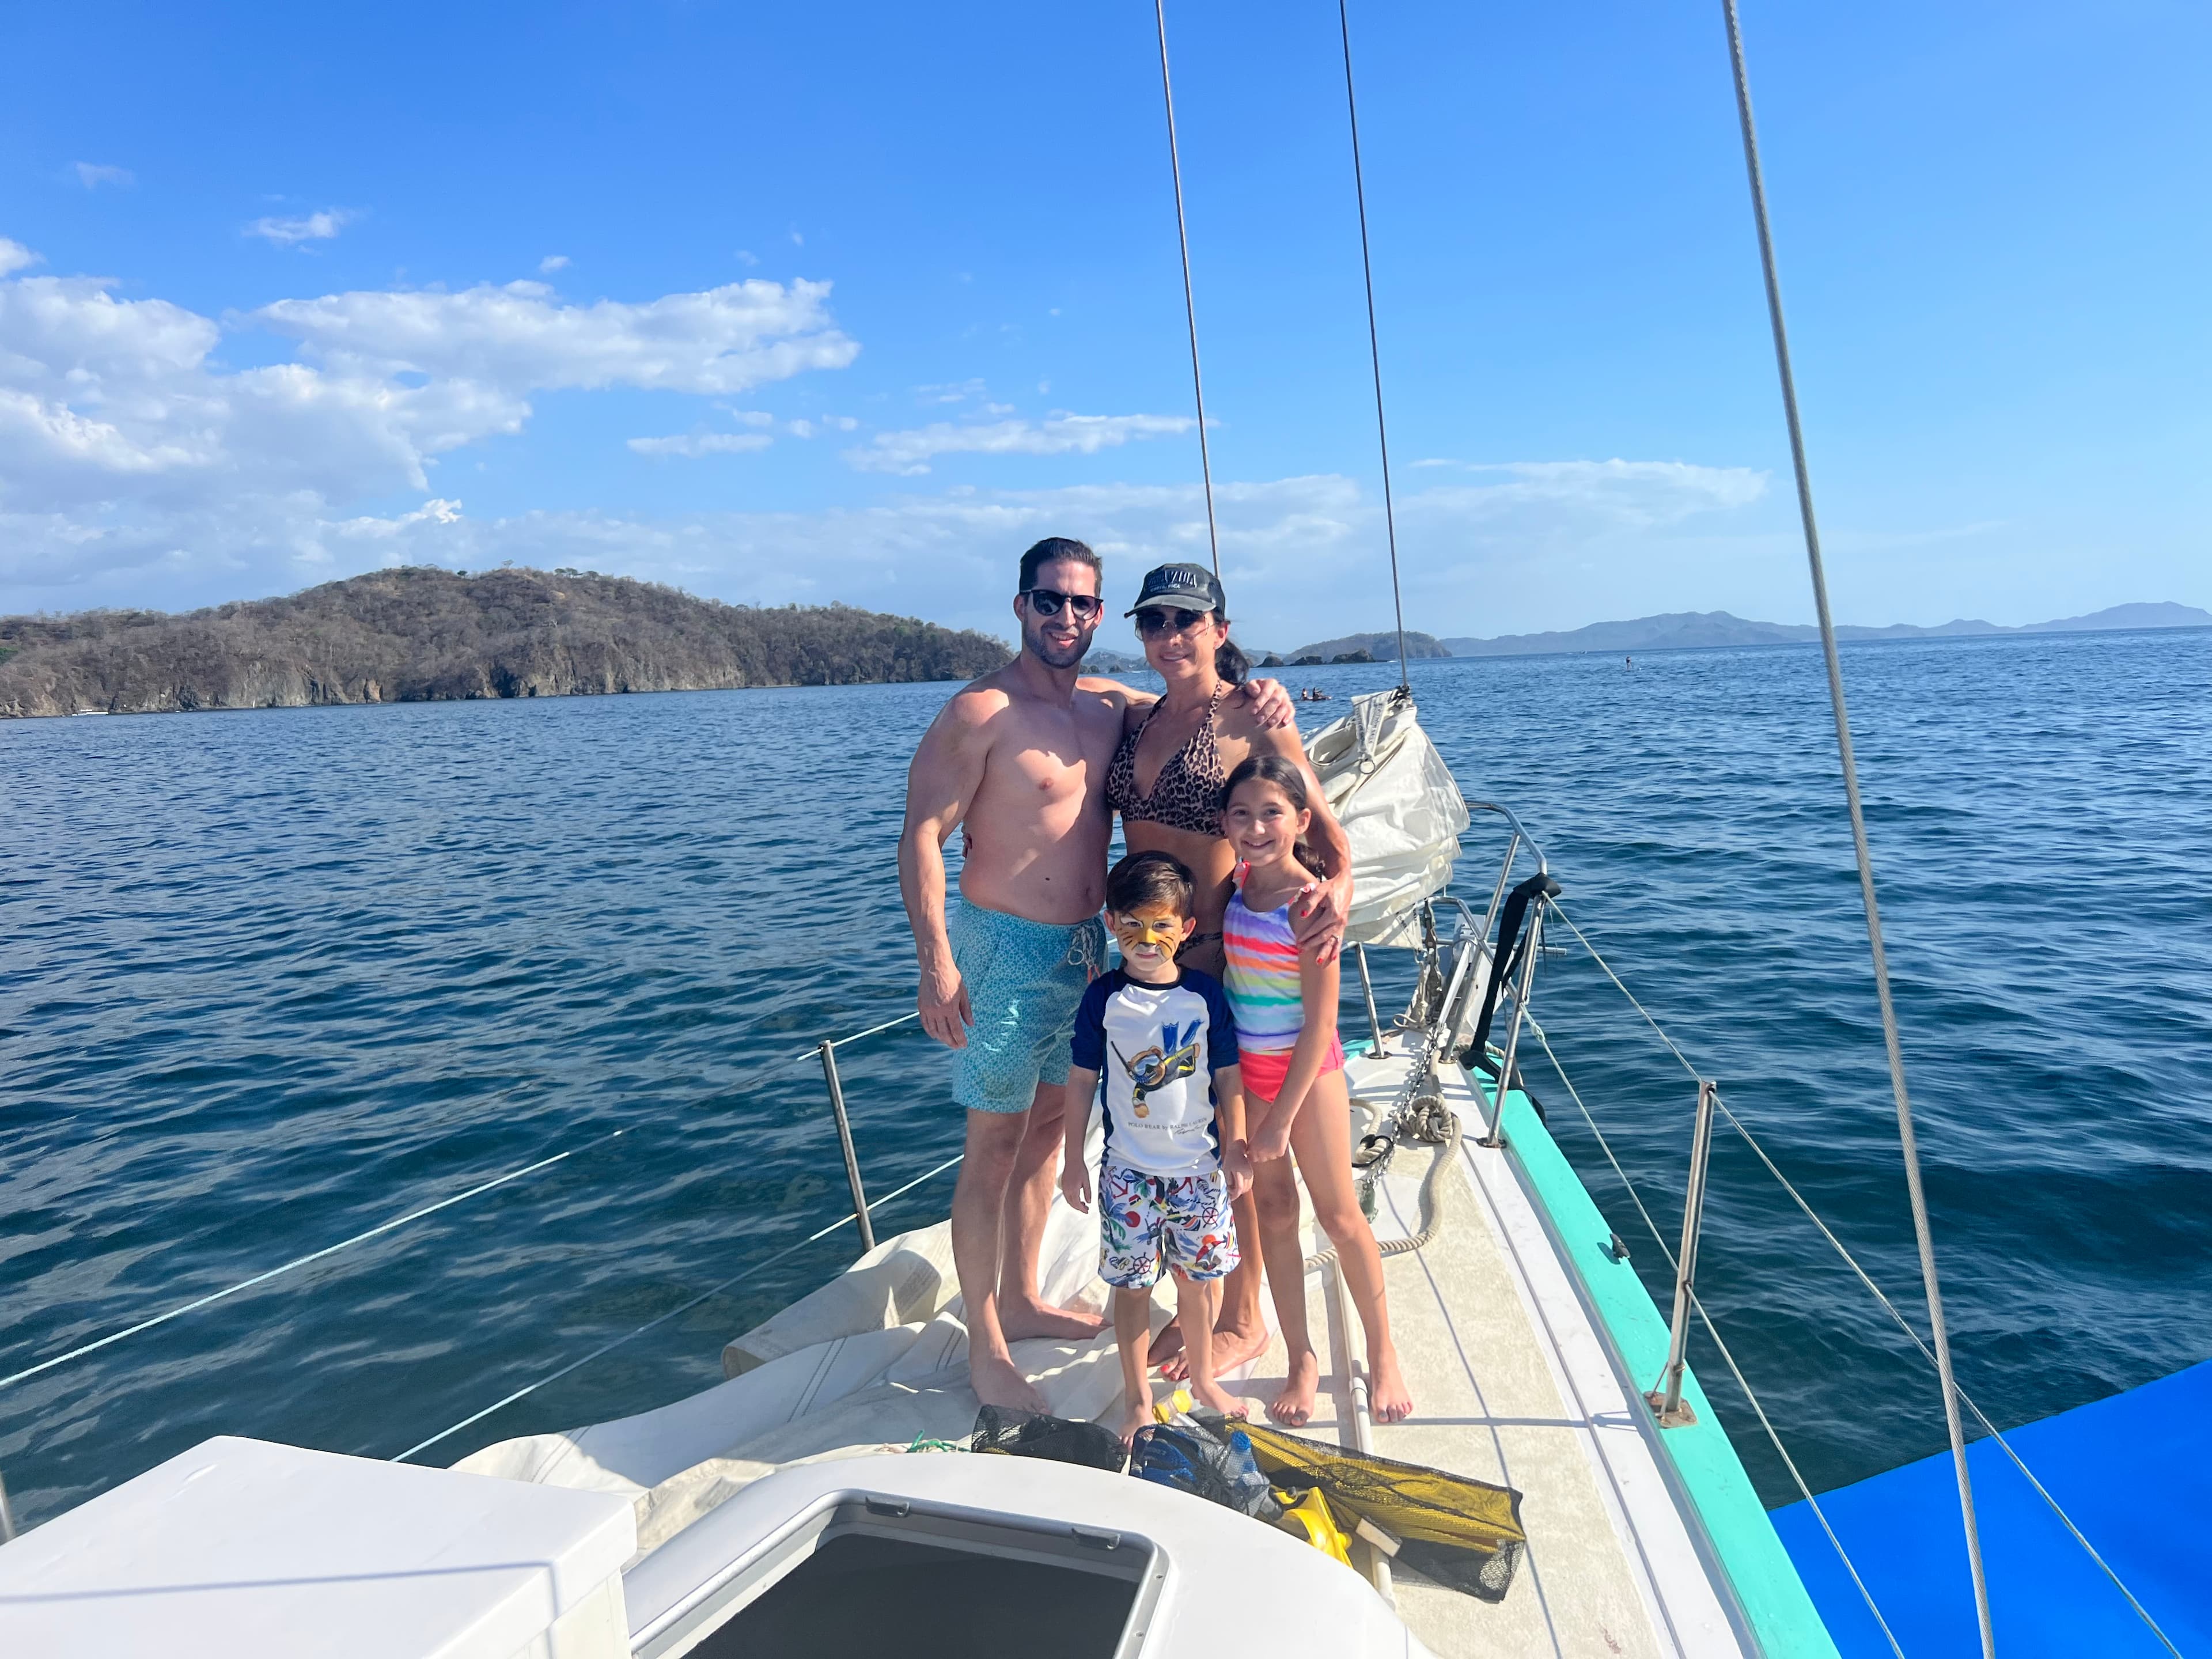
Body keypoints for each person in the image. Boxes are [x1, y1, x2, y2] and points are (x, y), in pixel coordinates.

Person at [897, 537, 1307, 1414]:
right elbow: (921, 837)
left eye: (1085, 605)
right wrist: (936, 963)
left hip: (1091, 948)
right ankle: (987, 1346)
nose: (1067, 618)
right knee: (994, 1147)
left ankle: (1024, 1295)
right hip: (1004, 951)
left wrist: (1263, 689)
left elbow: (1202, 697)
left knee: (1050, 1134)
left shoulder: (1109, 708)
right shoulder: (980, 712)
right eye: (1050, 601)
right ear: (1019, 606)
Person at [1104, 561, 1354, 1380]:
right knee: (1170, 1145)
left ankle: (1245, 1319)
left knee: (1229, 1153)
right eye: (1154, 622)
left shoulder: (1253, 718)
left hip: (1219, 968)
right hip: (1148, 966)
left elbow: (1324, 832)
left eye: (1187, 620)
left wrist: (1337, 896)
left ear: (1221, 628)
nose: (1170, 636)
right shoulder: (1135, 719)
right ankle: (1200, 1305)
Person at [1222, 753, 1412, 1426]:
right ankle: (1302, 1355)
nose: (1255, 827)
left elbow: (1322, 1025)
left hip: (1308, 1076)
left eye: (1272, 813)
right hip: (1249, 1074)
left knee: (1337, 1216)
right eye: (1240, 814)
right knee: (1274, 1212)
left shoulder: (1310, 905)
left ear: (1302, 820)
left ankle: (1382, 1350)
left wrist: (1276, 1122)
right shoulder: (1239, 888)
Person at [1060, 851, 1251, 1444]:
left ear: (1187, 929)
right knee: (1134, 1290)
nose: (1148, 939)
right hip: (1128, 1177)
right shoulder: (1104, 1001)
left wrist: (1238, 1143)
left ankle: (1203, 1382)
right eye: (1133, 924)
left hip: (1199, 1173)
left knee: (1197, 1288)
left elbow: (1227, 1077)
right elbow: (1081, 1080)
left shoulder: (1204, 999)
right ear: (1112, 923)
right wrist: (1072, 1159)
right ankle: (1138, 1400)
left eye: (1163, 925)